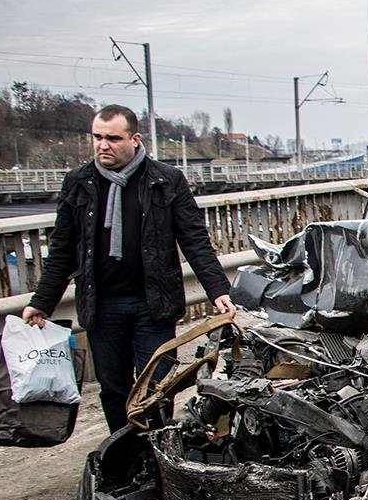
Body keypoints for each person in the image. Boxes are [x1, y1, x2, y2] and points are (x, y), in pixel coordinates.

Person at [22, 104, 235, 433]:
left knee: (156, 390)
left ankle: (160, 455)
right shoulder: (79, 183)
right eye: (97, 137)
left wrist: (218, 290)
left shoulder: (166, 181)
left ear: (134, 139)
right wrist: (42, 301)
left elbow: (195, 241)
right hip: (102, 306)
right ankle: (125, 458)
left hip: (153, 305)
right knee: (114, 389)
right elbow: (63, 249)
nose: (102, 145)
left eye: (112, 138)